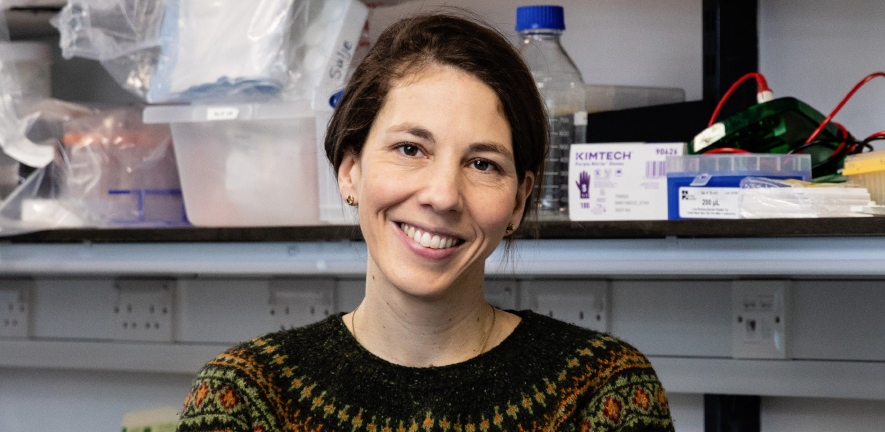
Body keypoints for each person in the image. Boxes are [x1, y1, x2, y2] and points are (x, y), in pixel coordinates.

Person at [177, 13, 674, 432]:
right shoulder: (245, 398)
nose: (442, 195)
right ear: (350, 170)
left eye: (483, 164)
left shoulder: (603, 393)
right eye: (410, 149)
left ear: (520, 200)